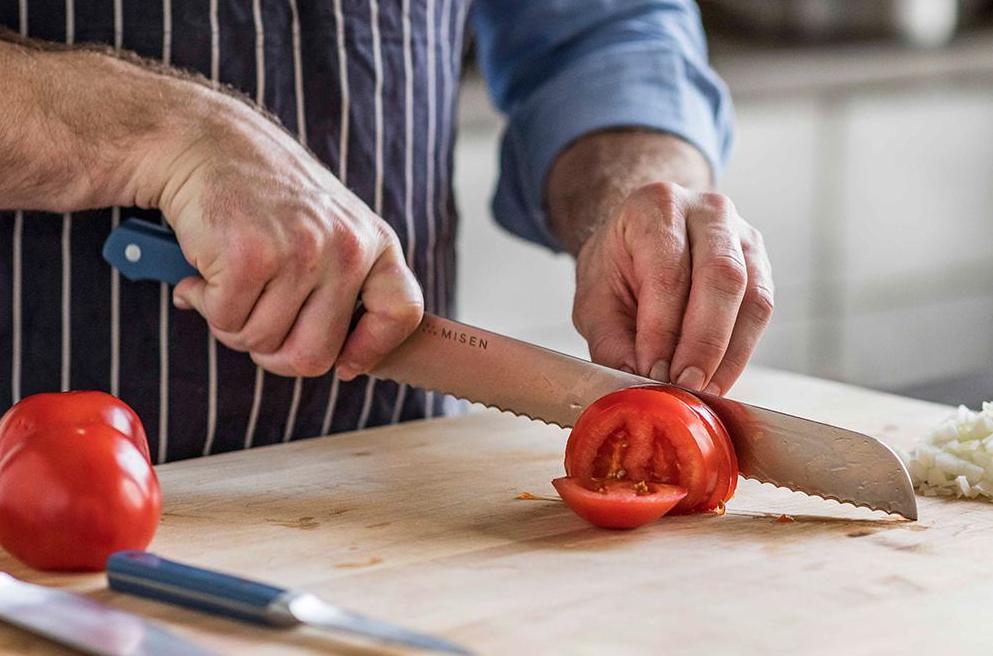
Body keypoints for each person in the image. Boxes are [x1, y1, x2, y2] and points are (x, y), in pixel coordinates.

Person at [0, 1, 773, 463]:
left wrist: (638, 188)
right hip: (34, 506)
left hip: (392, 487)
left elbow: (600, 32)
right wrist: (163, 132)